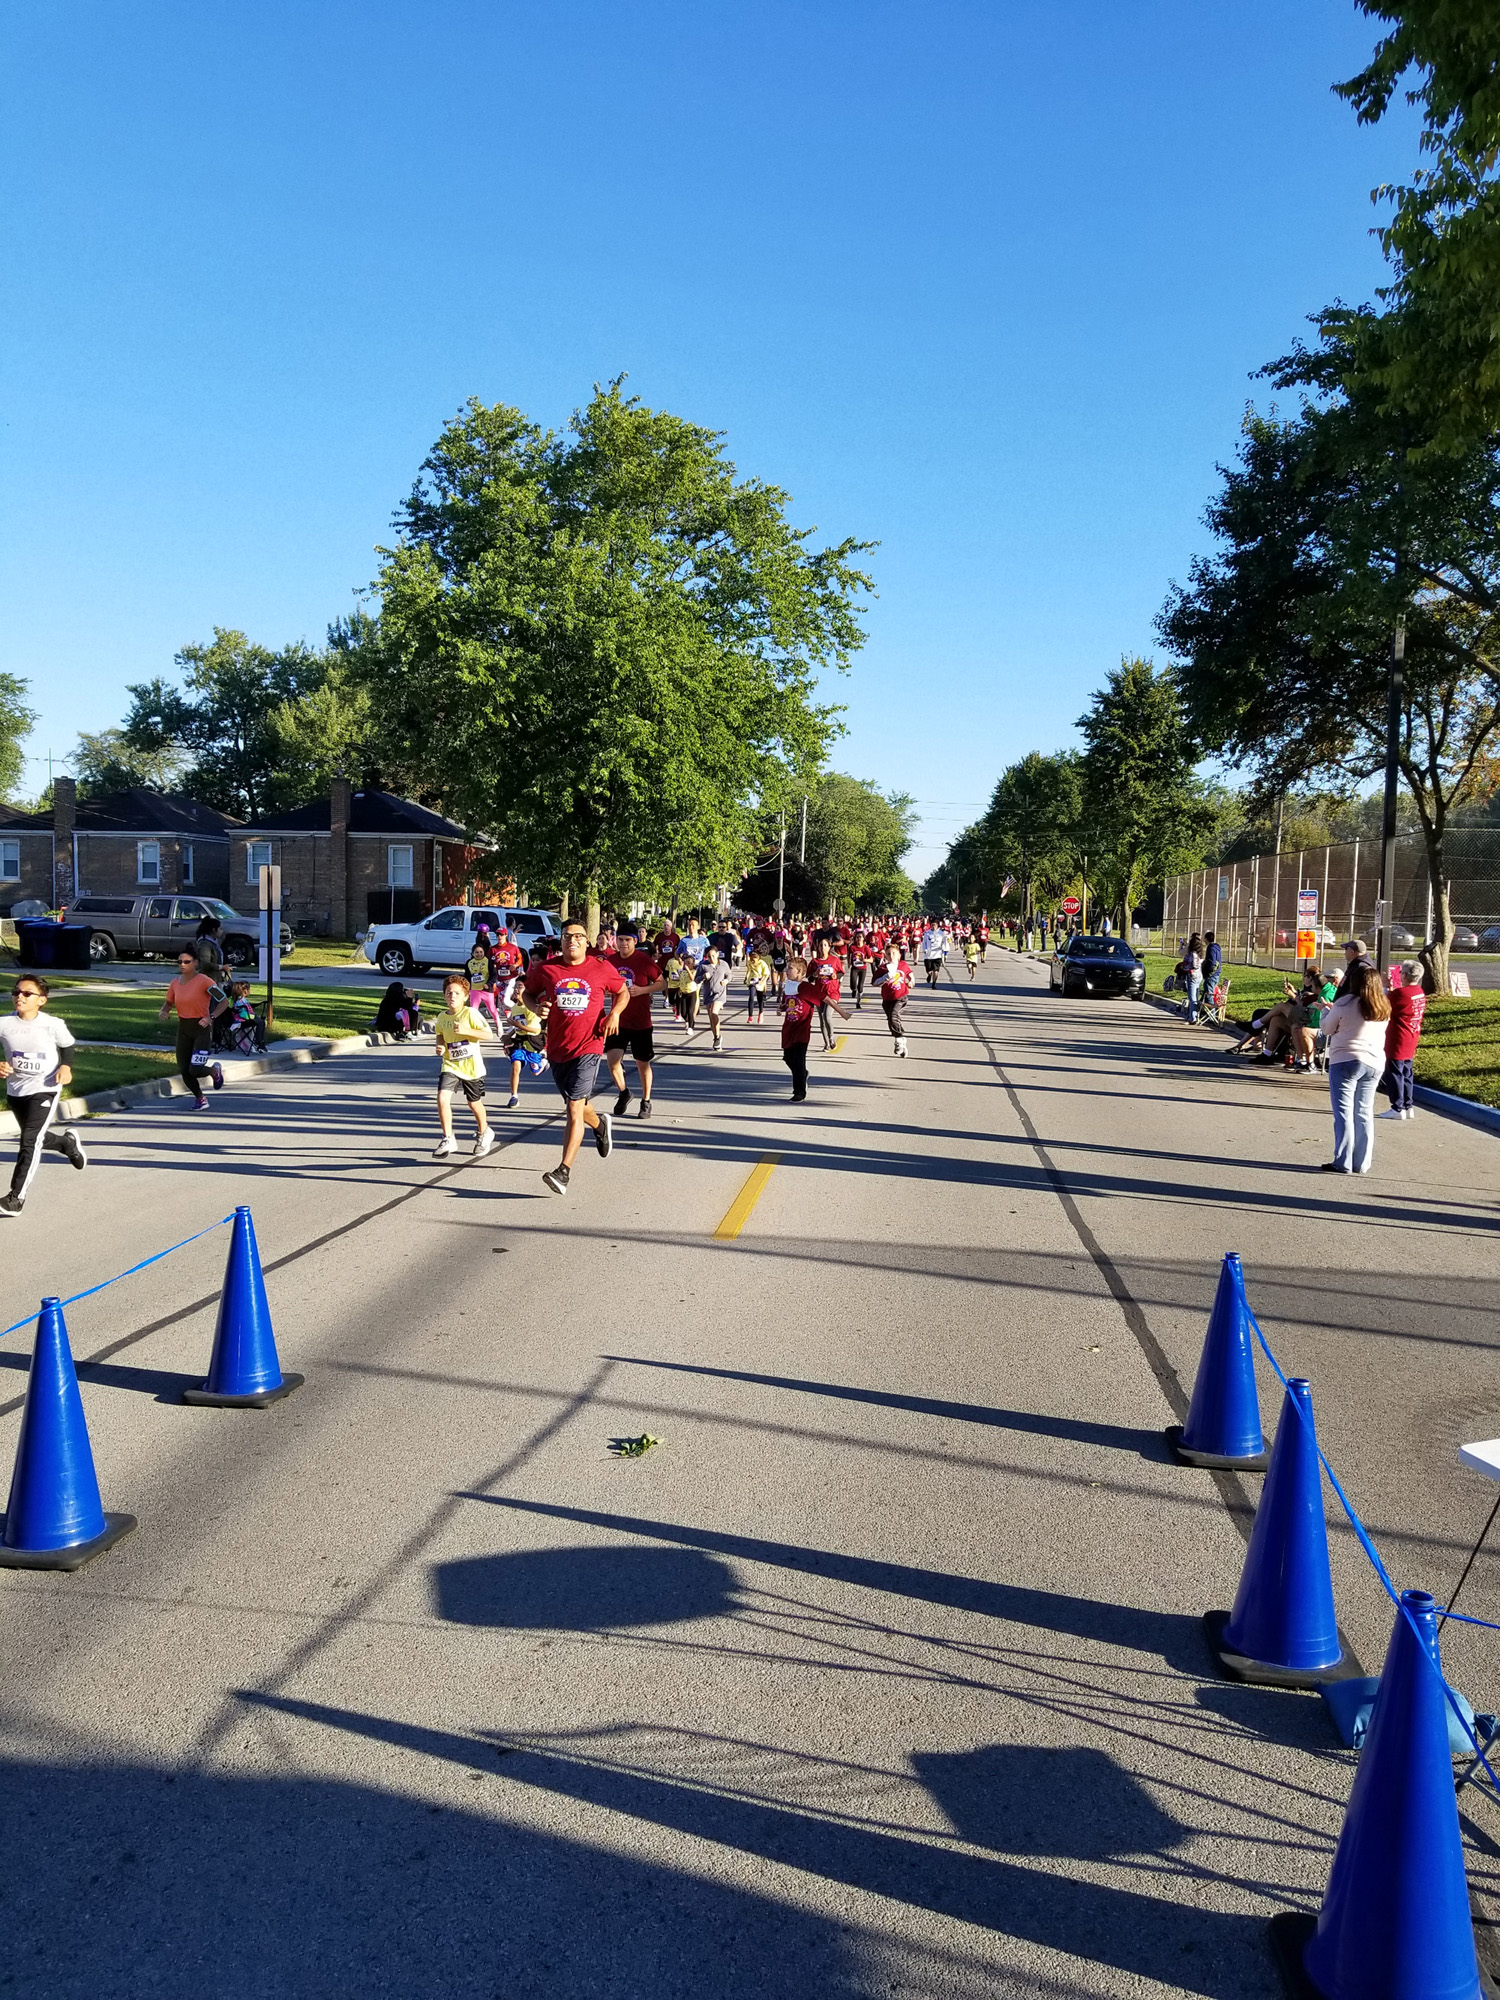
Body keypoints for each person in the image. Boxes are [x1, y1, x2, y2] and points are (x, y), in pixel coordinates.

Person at [524, 916, 629, 1195]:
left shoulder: (600, 967)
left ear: (587, 941)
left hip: (589, 1045)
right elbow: (528, 994)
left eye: (579, 936)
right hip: (558, 1048)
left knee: (573, 1108)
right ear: (561, 941)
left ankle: (563, 1172)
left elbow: (623, 992)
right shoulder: (546, 969)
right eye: (568, 936)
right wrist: (536, 1008)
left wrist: (615, 1014)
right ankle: (600, 1125)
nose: (573, 940)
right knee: (579, 1106)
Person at [0, 975, 87, 1216]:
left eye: (27, 993)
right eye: (16, 992)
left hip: (45, 1087)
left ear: (41, 1000)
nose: (20, 996)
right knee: (35, 1136)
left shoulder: (52, 1024)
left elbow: (67, 1046)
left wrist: (66, 1067)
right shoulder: (4, 1024)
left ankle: (16, 1198)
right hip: (16, 1090)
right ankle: (67, 1144)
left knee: (29, 1140)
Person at [1320, 962, 1391, 1173]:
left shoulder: (1344, 1002)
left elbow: (1327, 1029)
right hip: (1375, 1062)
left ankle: (1343, 1161)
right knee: (1364, 1112)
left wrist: (1325, 1011)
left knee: (1343, 1112)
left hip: (1345, 1059)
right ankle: (1362, 1162)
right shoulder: (1383, 1006)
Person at [604, 923, 664, 1116]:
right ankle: (624, 1092)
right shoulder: (611, 961)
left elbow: (662, 983)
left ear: (635, 941)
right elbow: (603, 983)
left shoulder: (643, 960)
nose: (623, 943)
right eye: (620, 940)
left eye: (627, 940)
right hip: (618, 1020)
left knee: (642, 1064)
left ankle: (646, 1101)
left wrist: (643, 990)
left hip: (640, 1022)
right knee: (612, 1061)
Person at [432, 973, 494, 1160]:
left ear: (466, 996)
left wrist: (467, 1030)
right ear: (444, 995)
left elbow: (488, 1035)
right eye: (449, 993)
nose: (452, 996)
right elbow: (440, 1034)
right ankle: (448, 1138)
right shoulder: (442, 1017)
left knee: (474, 1103)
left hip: (472, 1067)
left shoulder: (470, 1013)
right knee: (442, 1097)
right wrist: (440, 1045)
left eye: (457, 993)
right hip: (450, 1064)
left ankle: (484, 1132)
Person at [159, 949, 228, 1108]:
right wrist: (164, 1011)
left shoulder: (204, 981)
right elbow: (169, 1002)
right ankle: (200, 1098)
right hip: (184, 1028)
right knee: (184, 1070)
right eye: (180, 962)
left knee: (195, 1069)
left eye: (186, 962)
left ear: (195, 963)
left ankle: (214, 1071)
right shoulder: (175, 983)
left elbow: (223, 1001)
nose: (182, 965)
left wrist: (210, 1017)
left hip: (201, 1029)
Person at [781, 957, 848, 1103]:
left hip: (801, 1030)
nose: (787, 971)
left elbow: (825, 998)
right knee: (788, 1058)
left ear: (799, 972)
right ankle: (803, 1074)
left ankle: (799, 1092)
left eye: (790, 968)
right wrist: (782, 1008)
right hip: (788, 1029)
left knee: (799, 1061)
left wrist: (842, 1012)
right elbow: (787, 1003)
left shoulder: (806, 988)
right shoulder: (788, 986)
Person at [1379, 960, 1427, 1121]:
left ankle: (1397, 1107)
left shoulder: (1401, 994)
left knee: (1394, 1073)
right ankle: (1408, 1104)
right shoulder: (1418, 991)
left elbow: (1384, 1004)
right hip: (1411, 1036)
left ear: (1405, 975)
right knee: (1407, 1072)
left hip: (1397, 1038)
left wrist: (1385, 987)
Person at [502, 988, 547, 1109]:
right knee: (515, 1066)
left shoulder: (532, 1008)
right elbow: (516, 1027)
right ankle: (514, 1096)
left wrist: (519, 1026)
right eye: (515, 987)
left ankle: (543, 1062)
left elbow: (535, 1030)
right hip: (520, 1042)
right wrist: (508, 1036)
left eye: (520, 987)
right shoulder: (514, 1008)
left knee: (535, 1072)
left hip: (533, 1041)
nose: (517, 990)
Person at [877, 941, 912, 1057]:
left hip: (901, 996)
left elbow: (910, 975)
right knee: (892, 1020)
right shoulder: (882, 968)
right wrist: (884, 978)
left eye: (893, 953)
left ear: (899, 955)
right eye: (888, 954)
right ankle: (901, 1039)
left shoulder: (903, 965)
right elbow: (874, 982)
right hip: (887, 999)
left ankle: (898, 1040)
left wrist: (911, 981)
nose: (891, 956)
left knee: (893, 1015)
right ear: (885, 956)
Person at [698, 944, 732, 1053]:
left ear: (717, 954)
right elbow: (696, 979)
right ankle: (717, 1037)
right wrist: (703, 977)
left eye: (713, 955)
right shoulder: (703, 965)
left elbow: (729, 975)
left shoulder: (723, 964)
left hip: (719, 993)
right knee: (711, 1018)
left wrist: (726, 981)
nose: (711, 958)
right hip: (708, 994)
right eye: (709, 956)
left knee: (714, 1012)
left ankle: (717, 1038)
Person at [1179, 933, 1205, 1025]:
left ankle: (1192, 1018)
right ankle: (1194, 1015)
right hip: (1199, 976)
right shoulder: (1200, 954)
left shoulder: (1192, 954)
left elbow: (1194, 966)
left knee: (1192, 997)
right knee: (1195, 996)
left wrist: (1184, 967)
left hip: (1192, 976)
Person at [744, 943, 773, 1023]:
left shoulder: (762, 963)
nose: (753, 960)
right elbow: (748, 971)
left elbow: (766, 974)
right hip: (752, 981)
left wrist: (762, 981)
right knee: (751, 997)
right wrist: (746, 978)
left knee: (760, 999)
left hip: (760, 981)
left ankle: (761, 1012)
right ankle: (750, 1016)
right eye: (751, 958)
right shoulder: (749, 962)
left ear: (758, 958)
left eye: (754, 958)